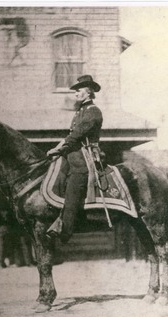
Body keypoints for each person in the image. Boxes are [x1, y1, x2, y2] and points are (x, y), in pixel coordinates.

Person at [46, 75, 103, 243]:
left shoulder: (93, 111)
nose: (76, 93)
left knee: (76, 179)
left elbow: (77, 135)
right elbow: (70, 135)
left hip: (86, 156)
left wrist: (60, 148)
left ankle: (65, 229)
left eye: (78, 90)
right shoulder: (81, 111)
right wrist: (58, 148)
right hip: (74, 153)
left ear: (88, 92)